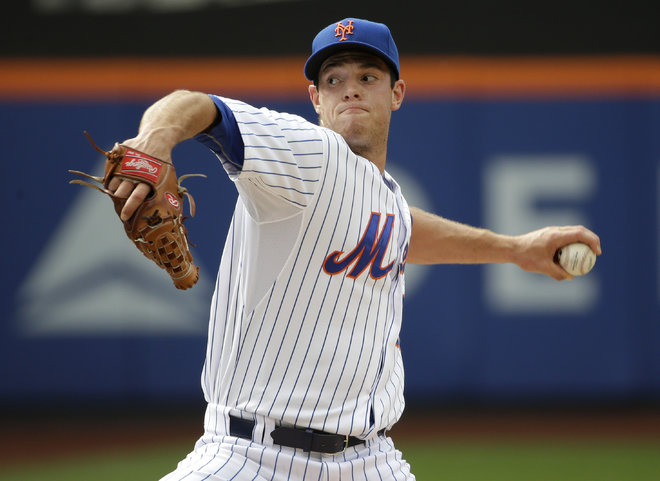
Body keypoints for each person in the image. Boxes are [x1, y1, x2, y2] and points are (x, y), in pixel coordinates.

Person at [109, 18, 601, 481]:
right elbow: (198, 106)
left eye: (368, 76)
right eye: (333, 79)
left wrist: (516, 249)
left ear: (397, 93)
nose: (350, 88)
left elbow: (401, 231)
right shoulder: (310, 155)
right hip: (252, 457)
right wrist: (155, 139)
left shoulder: (383, 194)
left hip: (370, 460)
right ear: (315, 100)